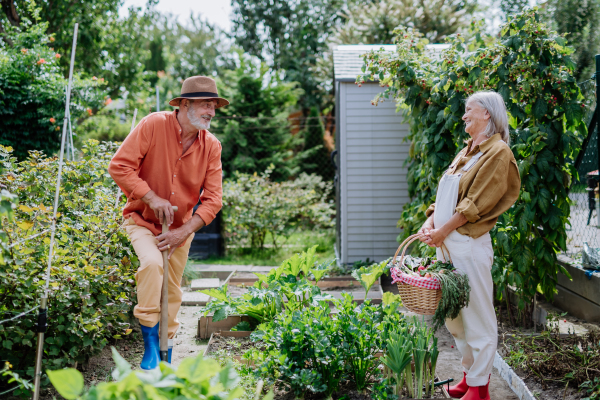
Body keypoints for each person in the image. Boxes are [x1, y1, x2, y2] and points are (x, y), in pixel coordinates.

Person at [108, 76, 227, 369]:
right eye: (205, 104)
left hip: (180, 230)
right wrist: (151, 197)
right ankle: (149, 345)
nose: (211, 111)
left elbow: (214, 200)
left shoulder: (211, 146)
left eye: (214, 105)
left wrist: (183, 232)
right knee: (152, 265)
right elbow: (119, 166)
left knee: (172, 290)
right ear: (185, 104)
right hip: (142, 221)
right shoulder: (153, 125)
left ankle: (167, 349)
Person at [418, 91, 520, 400]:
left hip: (468, 245)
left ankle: (480, 388)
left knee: (477, 318)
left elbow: (473, 206)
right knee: (454, 317)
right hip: (446, 244)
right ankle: (469, 374)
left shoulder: (498, 153)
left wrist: (442, 230)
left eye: (469, 110)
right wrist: (430, 221)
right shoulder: (468, 151)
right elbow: (447, 197)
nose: (464, 116)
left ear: (487, 114)